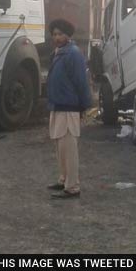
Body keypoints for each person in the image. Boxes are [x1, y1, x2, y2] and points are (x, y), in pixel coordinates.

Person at [46, 19, 92, 199]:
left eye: (60, 34)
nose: (57, 37)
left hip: (69, 108)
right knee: (60, 148)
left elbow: (81, 82)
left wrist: (84, 106)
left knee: (69, 150)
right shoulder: (58, 52)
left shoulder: (73, 54)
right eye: (55, 34)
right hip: (57, 107)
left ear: (68, 35)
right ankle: (63, 179)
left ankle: (72, 187)